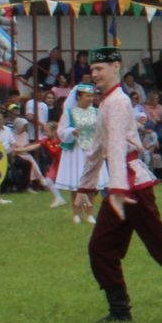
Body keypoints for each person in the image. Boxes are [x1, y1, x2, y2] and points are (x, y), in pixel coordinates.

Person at [73, 47, 162, 323]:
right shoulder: (108, 102)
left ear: (116, 66)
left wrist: (116, 189)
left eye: (99, 68)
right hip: (121, 187)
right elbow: (97, 148)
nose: (95, 74)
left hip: (131, 188)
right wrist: (85, 188)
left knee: (160, 244)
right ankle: (120, 311)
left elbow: (115, 147)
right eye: (92, 70)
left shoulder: (117, 103)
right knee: (101, 247)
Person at [55, 82, 101, 224]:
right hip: (76, 151)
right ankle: (76, 213)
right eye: (87, 96)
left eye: (92, 96)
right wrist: (72, 131)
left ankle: (89, 213)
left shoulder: (96, 112)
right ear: (79, 96)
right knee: (77, 183)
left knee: (92, 184)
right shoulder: (70, 112)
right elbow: (61, 131)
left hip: (92, 151)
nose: (90, 98)